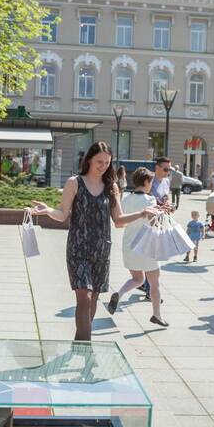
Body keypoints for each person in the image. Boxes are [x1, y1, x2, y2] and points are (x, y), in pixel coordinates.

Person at [30, 142, 159, 340]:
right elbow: (63, 214)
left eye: (107, 162)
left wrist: (142, 214)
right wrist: (47, 210)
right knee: (84, 299)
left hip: (101, 251)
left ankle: (80, 342)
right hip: (78, 249)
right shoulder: (75, 182)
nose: (103, 166)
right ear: (89, 159)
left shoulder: (111, 187)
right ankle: (86, 348)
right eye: (99, 161)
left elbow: (118, 221)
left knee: (93, 302)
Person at [106, 167, 167, 327]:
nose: (151, 185)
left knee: (138, 278)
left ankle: (119, 294)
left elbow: (120, 223)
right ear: (146, 182)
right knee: (154, 283)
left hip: (129, 246)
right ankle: (157, 315)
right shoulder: (150, 200)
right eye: (151, 182)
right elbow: (154, 223)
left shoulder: (126, 199)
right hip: (146, 246)